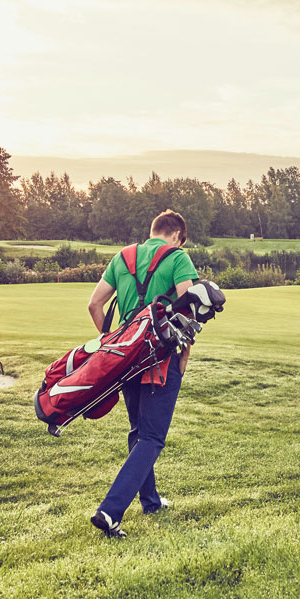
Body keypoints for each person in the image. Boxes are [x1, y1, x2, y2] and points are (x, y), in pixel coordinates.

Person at [85, 209, 198, 538]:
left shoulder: (122, 257)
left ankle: (150, 502)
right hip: (161, 358)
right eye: (180, 241)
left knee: (138, 432)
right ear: (176, 235)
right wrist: (184, 356)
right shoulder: (177, 257)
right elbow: (189, 310)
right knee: (152, 437)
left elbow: (94, 305)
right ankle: (110, 511)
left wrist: (114, 344)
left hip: (126, 357)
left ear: (153, 231)